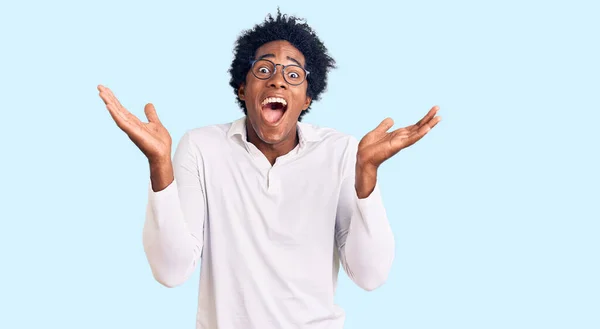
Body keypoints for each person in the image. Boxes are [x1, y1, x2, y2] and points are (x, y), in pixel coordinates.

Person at [98, 10, 440, 329]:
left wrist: (366, 172)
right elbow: (170, 271)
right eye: (264, 69)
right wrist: (159, 163)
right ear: (242, 87)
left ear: (307, 98)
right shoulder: (202, 147)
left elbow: (371, 275)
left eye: (293, 74)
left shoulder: (341, 152)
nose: (278, 81)